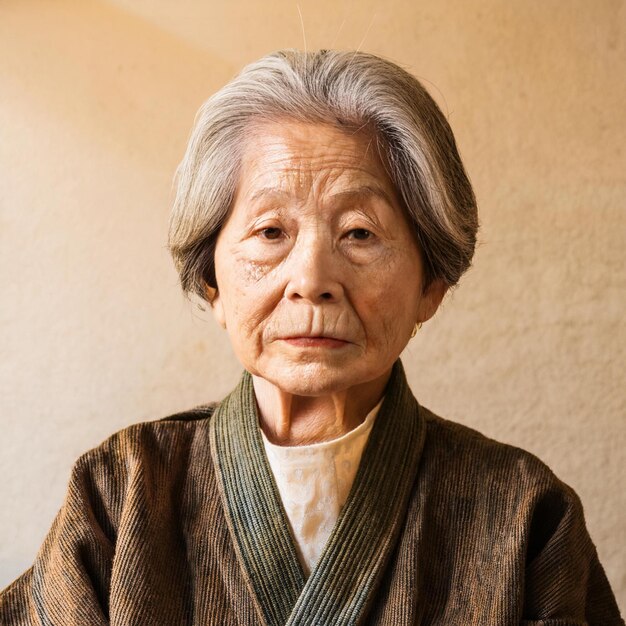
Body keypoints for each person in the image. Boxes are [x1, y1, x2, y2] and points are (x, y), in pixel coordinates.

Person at [0, 49, 622, 626]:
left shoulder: (525, 515)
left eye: (359, 233)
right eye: (271, 232)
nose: (312, 280)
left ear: (431, 284)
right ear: (211, 279)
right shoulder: (119, 495)